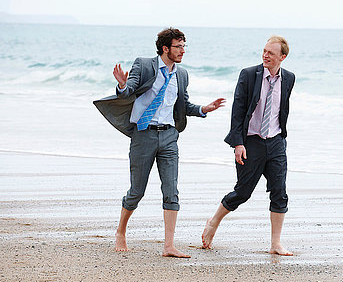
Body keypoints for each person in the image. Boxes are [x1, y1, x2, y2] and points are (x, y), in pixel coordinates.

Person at [94, 27, 225, 258]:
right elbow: (129, 92)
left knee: (171, 191)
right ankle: (121, 231)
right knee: (137, 191)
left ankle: (169, 246)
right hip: (143, 134)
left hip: (169, 137)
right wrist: (123, 86)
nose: (183, 50)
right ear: (166, 48)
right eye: (178, 46)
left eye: (184, 46)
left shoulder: (182, 75)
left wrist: (204, 109)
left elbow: (183, 105)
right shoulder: (144, 65)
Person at [201, 36, 295, 256]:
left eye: (271, 53)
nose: (265, 56)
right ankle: (214, 221)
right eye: (264, 51)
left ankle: (275, 243)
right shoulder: (248, 75)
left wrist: (281, 139)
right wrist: (238, 143)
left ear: (282, 57)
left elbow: (283, 109)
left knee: (280, 192)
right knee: (243, 192)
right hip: (250, 142)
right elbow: (238, 111)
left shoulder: (289, 78)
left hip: (276, 141)